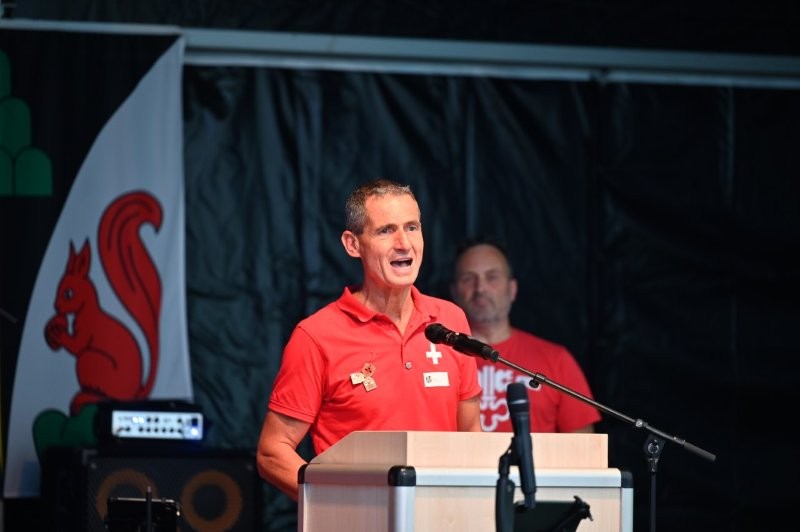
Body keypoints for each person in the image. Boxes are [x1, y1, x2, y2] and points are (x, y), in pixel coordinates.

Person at [257, 178, 483, 501]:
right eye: (386, 231)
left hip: (443, 516)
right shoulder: (316, 336)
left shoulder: (450, 320)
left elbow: (471, 433)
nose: (404, 243)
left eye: (412, 227)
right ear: (353, 245)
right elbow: (272, 452)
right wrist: (337, 504)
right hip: (358, 518)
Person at [451, 238, 600, 433]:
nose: (480, 289)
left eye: (492, 277)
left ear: (512, 289)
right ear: (454, 291)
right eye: (468, 279)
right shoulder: (436, 359)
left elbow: (584, 445)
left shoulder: (557, 360)